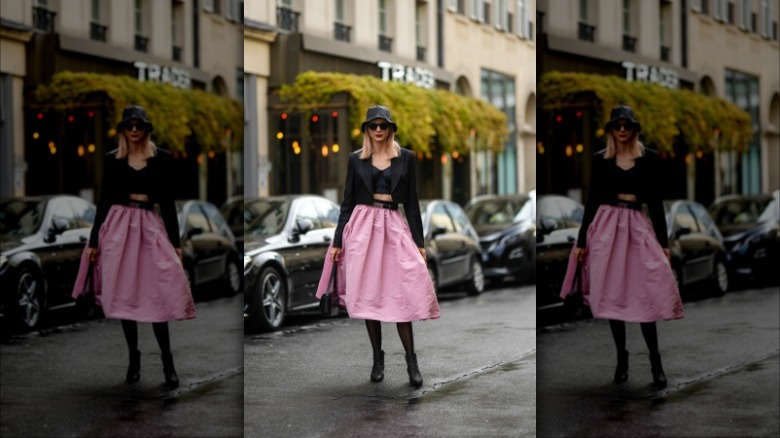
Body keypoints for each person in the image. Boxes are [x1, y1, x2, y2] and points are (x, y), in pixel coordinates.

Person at [559, 104, 684, 389]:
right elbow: (591, 200)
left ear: (635, 128)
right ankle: (622, 360)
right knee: (614, 296)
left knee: (644, 295)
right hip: (606, 228)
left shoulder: (649, 158)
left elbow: (655, 202)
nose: (623, 130)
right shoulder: (601, 158)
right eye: (618, 125)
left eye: (628, 125)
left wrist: (663, 244)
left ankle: (656, 362)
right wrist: (581, 241)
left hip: (637, 226)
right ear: (611, 129)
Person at [72, 105, 196, 389]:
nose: (135, 129)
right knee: (126, 296)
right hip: (117, 229)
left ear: (147, 129)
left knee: (156, 295)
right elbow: (103, 201)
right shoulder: (113, 159)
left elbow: (167, 202)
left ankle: (168, 362)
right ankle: (133, 359)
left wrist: (175, 244)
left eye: (139, 125)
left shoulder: (161, 158)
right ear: (123, 129)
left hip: (149, 227)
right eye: (130, 125)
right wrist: (93, 242)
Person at [315, 105, 440, 387]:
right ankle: (377, 359)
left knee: (401, 295)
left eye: (384, 126)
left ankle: (411, 361)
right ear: (367, 130)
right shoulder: (356, 159)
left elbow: (413, 203)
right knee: (370, 297)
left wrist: (418, 243)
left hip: (394, 226)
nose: (379, 130)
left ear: (391, 128)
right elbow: (347, 202)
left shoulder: (406, 158)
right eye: (374, 126)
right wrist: (337, 241)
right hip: (362, 229)